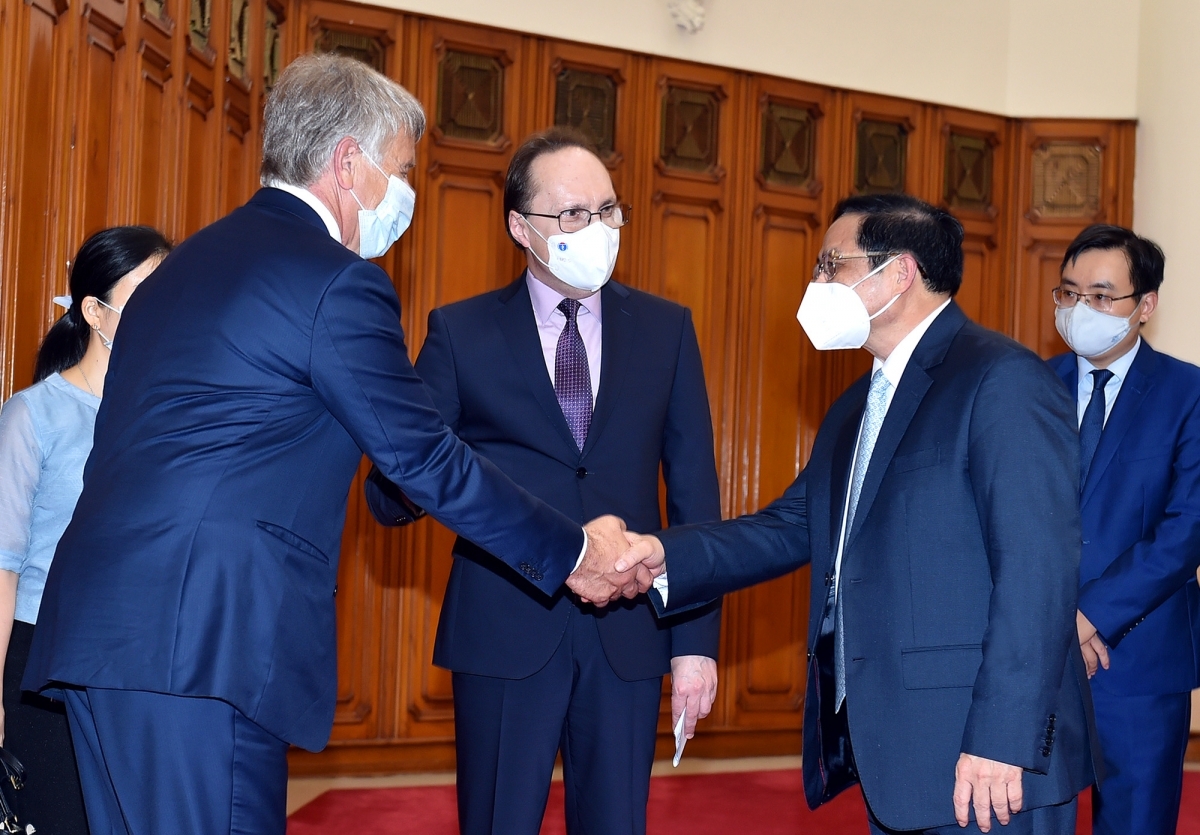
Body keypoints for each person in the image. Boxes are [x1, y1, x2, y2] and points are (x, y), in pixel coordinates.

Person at [22, 54, 652, 835]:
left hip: (106, 637)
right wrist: (572, 552)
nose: (407, 193)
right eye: (403, 169)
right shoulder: (330, 280)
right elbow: (422, 457)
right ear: (348, 164)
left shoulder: (184, 269)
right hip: (202, 646)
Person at [621, 194, 1100, 834]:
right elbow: (791, 525)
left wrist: (1002, 739)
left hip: (985, 757)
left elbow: (1036, 575)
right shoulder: (855, 404)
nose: (816, 283)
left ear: (897, 273)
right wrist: (661, 554)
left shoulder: (1000, 379)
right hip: (898, 751)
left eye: (830, 264)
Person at [367, 127, 722, 835]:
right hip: (505, 626)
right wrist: (410, 481)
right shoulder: (461, 331)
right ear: (519, 227)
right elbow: (390, 487)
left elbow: (695, 496)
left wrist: (695, 643)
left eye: (608, 210)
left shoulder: (666, 329)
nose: (596, 229)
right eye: (572, 216)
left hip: (627, 631)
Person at [0, 225, 169, 835]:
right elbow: (4, 567)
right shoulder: (32, 415)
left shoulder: (161, 420)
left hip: (135, 665)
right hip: (42, 663)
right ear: (96, 312)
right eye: (148, 295)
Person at [1046, 224, 1200, 835]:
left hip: (1139, 658)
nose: (1083, 309)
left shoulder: (1188, 393)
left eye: (1103, 296)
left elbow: (1186, 528)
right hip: (1037, 654)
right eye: (1069, 293)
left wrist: (1088, 617)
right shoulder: (1029, 386)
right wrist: (1053, 621)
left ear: (1145, 305)